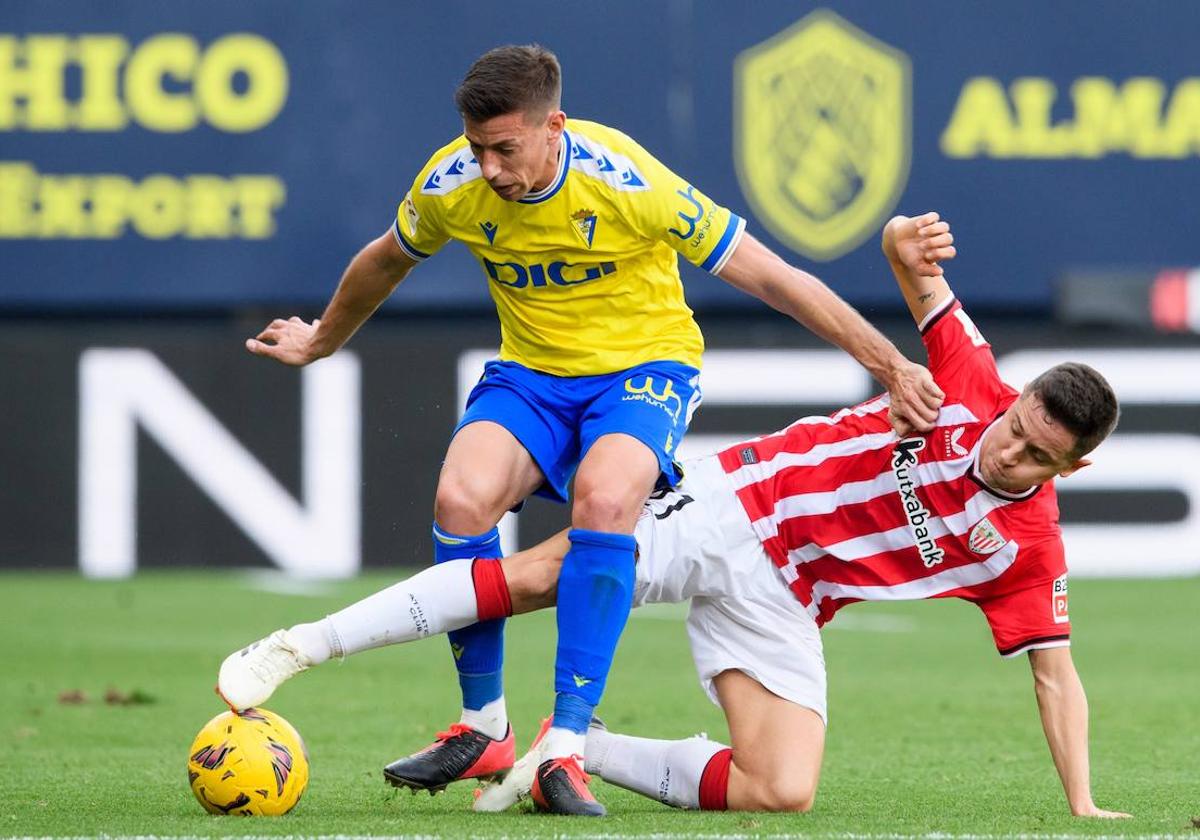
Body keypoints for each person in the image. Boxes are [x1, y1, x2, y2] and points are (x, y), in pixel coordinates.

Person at [221, 212, 1128, 818]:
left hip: (787, 601)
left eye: (1036, 454)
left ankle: (579, 751)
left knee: (784, 790)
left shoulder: (1027, 552)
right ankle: (299, 645)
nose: (1006, 450)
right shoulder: (971, 379)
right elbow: (905, 261)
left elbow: (1057, 677)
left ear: (1071, 468)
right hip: (737, 504)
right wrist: (906, 234)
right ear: (1014, 401)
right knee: (537, 576)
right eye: (1015, 426)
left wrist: (1081, 802)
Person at [239, 44, 943, 815]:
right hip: (533, 374)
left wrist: (891, 366)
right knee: (459, 499)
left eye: (506, 149)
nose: (490, 169)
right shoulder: (451, 183)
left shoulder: (626, 181)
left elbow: (774, 277)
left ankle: (567, 743)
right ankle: (486, 726)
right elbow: (385, 259)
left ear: (554, 127)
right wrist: (323, 339)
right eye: (478, 149)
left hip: (643, 371)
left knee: (606, 504)